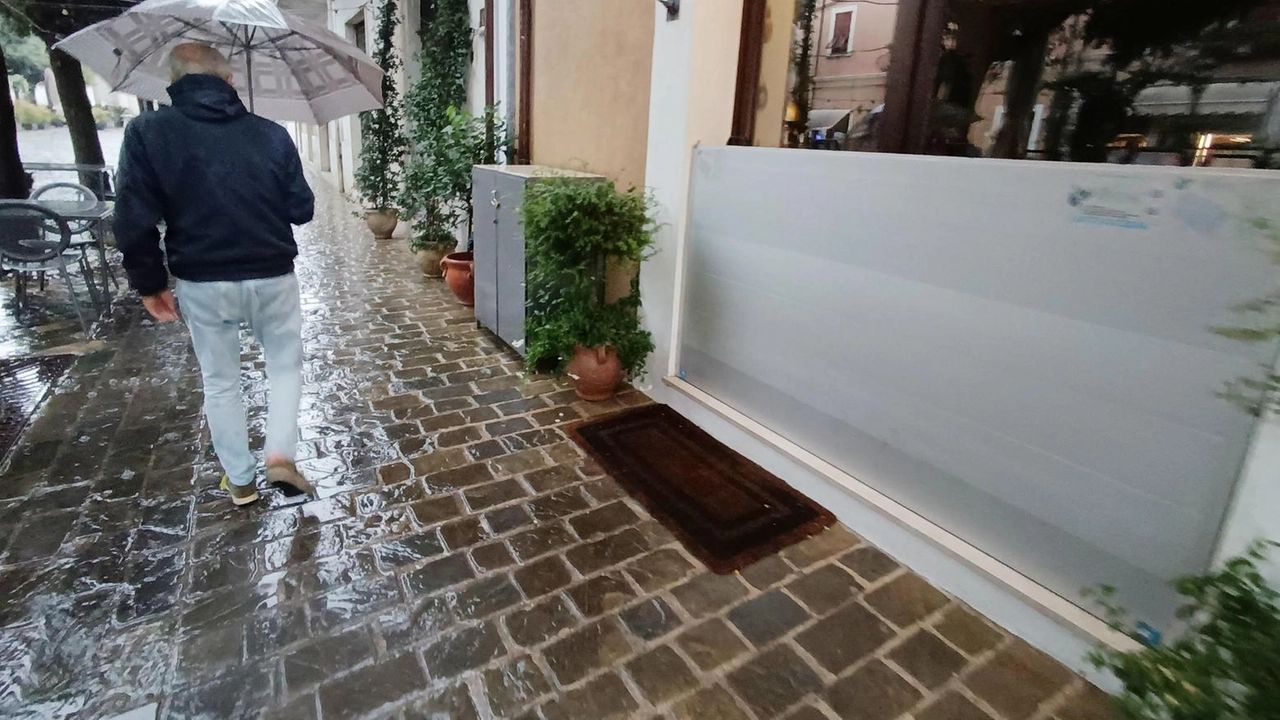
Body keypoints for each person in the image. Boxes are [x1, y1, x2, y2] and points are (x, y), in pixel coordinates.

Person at [114, 43, 315, 506]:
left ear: (174, 83)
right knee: (284, 368)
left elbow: (131, 217)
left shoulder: (147, 132)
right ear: (229, 81)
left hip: (202, 283)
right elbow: (301, 209)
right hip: (272, 276)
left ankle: (240, 480)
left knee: (221, 380)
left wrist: (150, 283)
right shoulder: (270, 134)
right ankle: (280, 454)